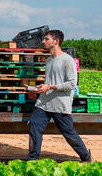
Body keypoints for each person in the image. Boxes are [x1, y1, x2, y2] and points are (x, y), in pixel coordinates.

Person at [28, 29, 92, 162]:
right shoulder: (49, 60)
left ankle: (86, 157)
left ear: (56, 41)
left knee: (68, 133)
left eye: (46, 39)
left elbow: (72, 84)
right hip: (44, 103)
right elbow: (50, 82)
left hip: (60, 105)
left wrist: (50, 87)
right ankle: (32, 160)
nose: (43, 41)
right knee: (34, 126)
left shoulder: (67, 60)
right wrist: (41, 88)